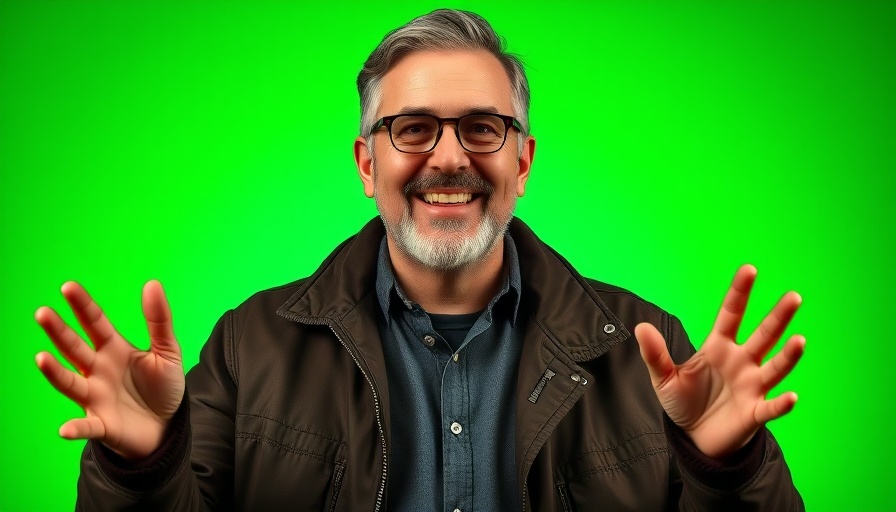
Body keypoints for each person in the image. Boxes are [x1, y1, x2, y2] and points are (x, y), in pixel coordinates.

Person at [34, 9, 805, 511]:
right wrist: (141, 467)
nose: (448, 158)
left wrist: (729, 469)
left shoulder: (646, 346)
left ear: (523, 162)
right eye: (411, 130)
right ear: (367, 165)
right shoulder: (252, 344)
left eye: (481, 128)